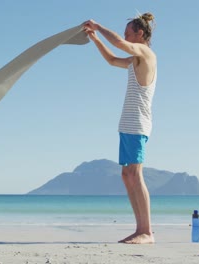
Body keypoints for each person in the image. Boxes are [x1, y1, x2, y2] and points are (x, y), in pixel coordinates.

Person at [83, 13, 157, 244]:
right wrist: (95, 40)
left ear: (140, 34)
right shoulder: (134, 61)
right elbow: (113, 60)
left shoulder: (146, 53)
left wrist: (99, 26)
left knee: (136, 174)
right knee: (127, 176)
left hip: (138, 124)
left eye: (128, 33)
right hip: (127, 124)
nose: (125, 37)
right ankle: (139, 229)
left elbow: (118, 44)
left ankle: (147, 232)